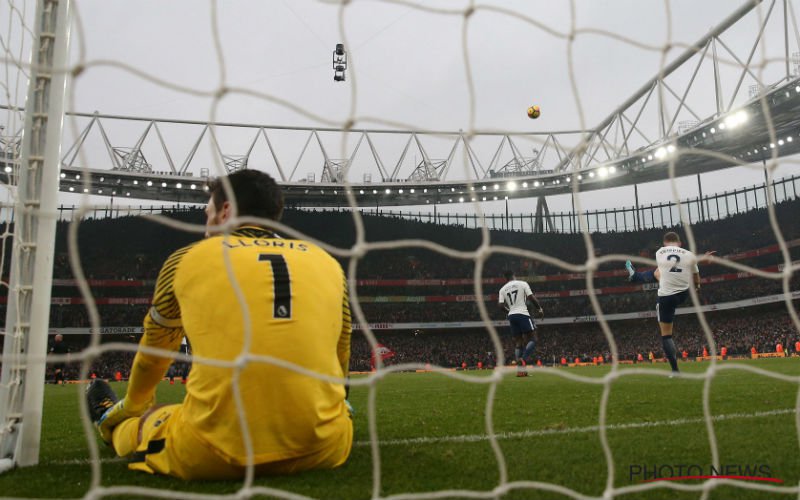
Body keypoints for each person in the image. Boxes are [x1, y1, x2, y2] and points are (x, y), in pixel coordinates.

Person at [85, 170, 353, 479]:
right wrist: (340, 403)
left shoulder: (186, 259)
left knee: (147, 421)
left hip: (213, 453)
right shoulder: (327, 262)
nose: (206, 225)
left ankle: (109, 419)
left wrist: (134, 405)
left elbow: (157, 352)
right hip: (327, 446)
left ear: (226, 211)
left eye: (208, 213)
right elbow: (342, 345)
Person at [625, 232, 702, 378]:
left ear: (665, 243)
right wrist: (697, 286)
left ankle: (675, 371)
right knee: (658, 273)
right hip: (683, 294)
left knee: (666, 336)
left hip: (667, 296)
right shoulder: (690, 254)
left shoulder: (660, 252)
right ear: (679, 243)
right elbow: (696, 276)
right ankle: (635, 276)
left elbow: (662, 269)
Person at [498, 270, 543, 374]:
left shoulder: (502, 289)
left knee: (518, 342)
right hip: (522, 313)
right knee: (533, 338)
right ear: (514, 275)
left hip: (512, 316)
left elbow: (500, 306)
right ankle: (523, 359)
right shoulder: (522, 283)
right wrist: (539, 309)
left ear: (505, 278)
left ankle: (520, 371)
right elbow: (531, 297)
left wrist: (509, 311)